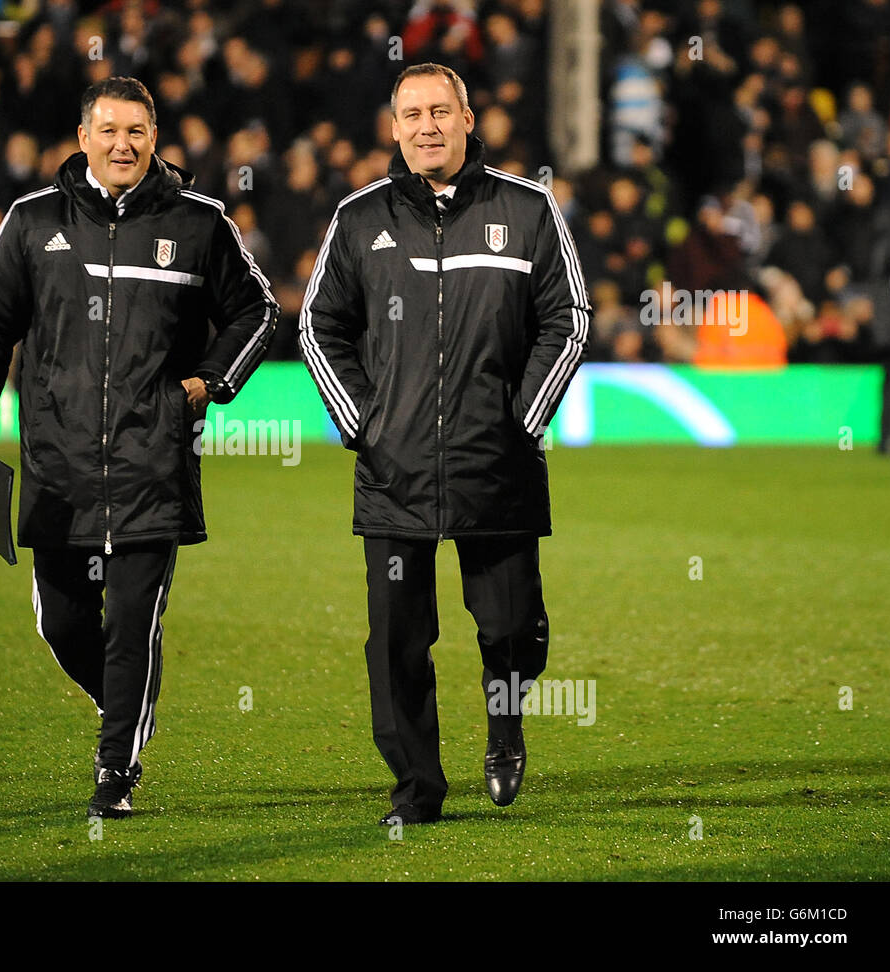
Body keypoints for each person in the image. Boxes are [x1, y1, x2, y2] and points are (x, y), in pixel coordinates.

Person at [0, 77, 277, 818]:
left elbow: (256, 311)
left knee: (134, 622)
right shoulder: (33, 222)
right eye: (109, 130)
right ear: (83, 135)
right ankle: (127, 705)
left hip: (152, 461)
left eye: (137, 131)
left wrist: (208, 382)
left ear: (155, 137)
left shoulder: (199, 224)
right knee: (61, 622)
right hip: (57, 467)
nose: (123, 144)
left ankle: (114, 768)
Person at [300, 63, 591, 823]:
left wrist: (522, 421)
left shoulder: (528, 209)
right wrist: (363, 424)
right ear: (393, 128)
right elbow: (316, 325)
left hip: (496, 470)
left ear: (468, 118)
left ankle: (505, 722)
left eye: (439, 111)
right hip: (392, 475)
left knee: (511, 629)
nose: (425, 126)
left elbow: (571, 318)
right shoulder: (360, 217)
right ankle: (417, 791)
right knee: (396, 645)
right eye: (410, 114)